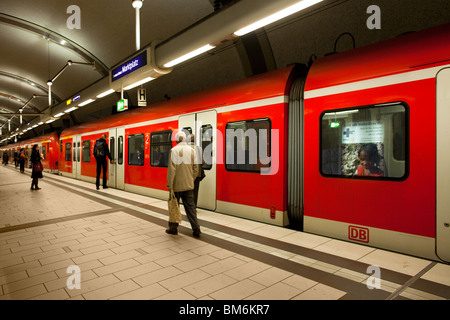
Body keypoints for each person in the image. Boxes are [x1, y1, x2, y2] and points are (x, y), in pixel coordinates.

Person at [166, 131, 201, 238]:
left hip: (176, 185)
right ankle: (196, 229)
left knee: (174, 206)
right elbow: (196, 168)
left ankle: (173, 228)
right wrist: (191, 179)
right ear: (185, 139)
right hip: (188, 185)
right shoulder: (192, 151)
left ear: (177, 140)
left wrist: (170, 185)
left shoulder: (174, 150)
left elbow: (172, 170)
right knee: (191, 207)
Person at [188, 134, 204, 207]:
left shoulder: (185, 148)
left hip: (187, 174)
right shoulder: (199, 149)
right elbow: (203, 161)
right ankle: (194, 206)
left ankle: (189, 207)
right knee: (195, 191)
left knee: (187, 191)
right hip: (197, 174)